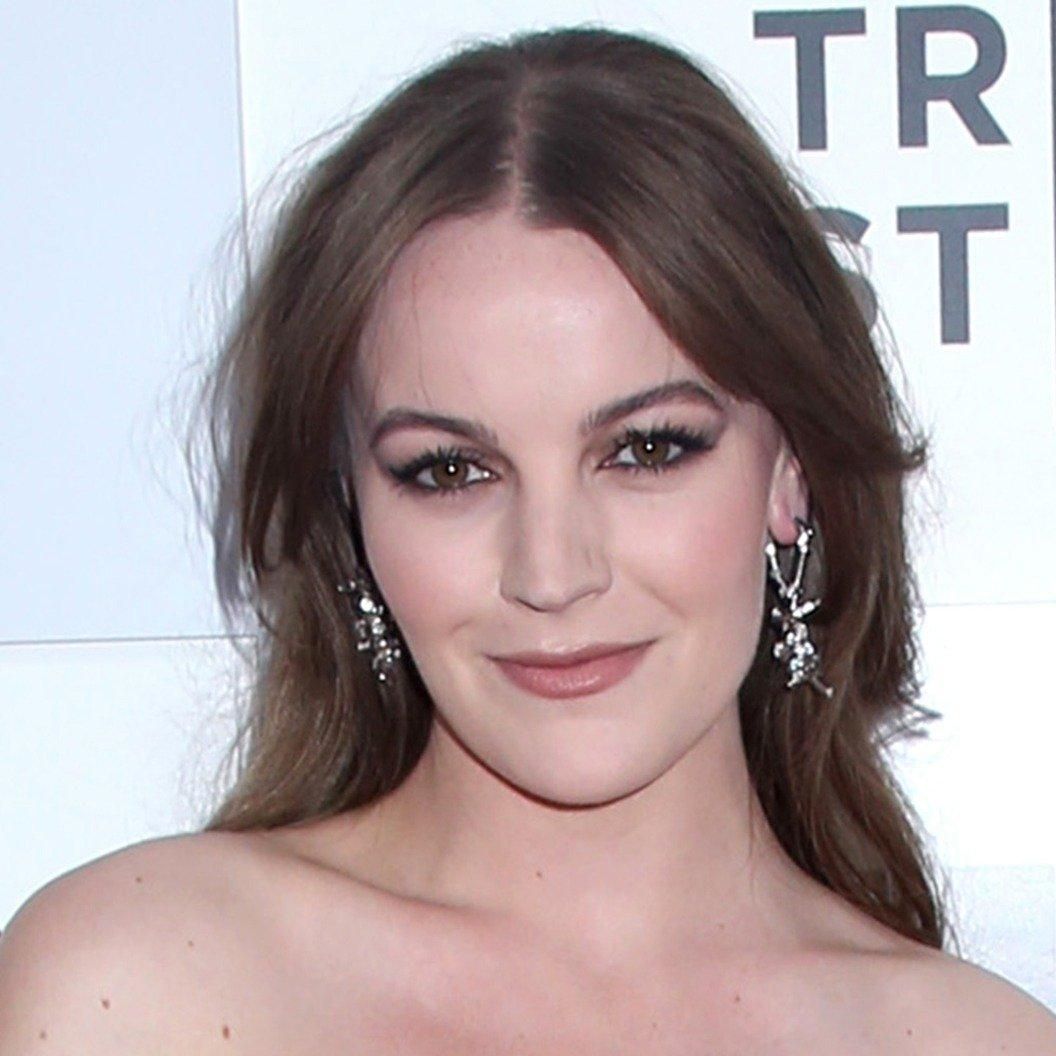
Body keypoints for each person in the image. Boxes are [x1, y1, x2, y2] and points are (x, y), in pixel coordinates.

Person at [1, 24, 1054, 1054]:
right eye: (449, 471)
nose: (552, 574)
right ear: (351, 507)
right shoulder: (134, 989)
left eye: (646, 450)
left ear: (793, 471)